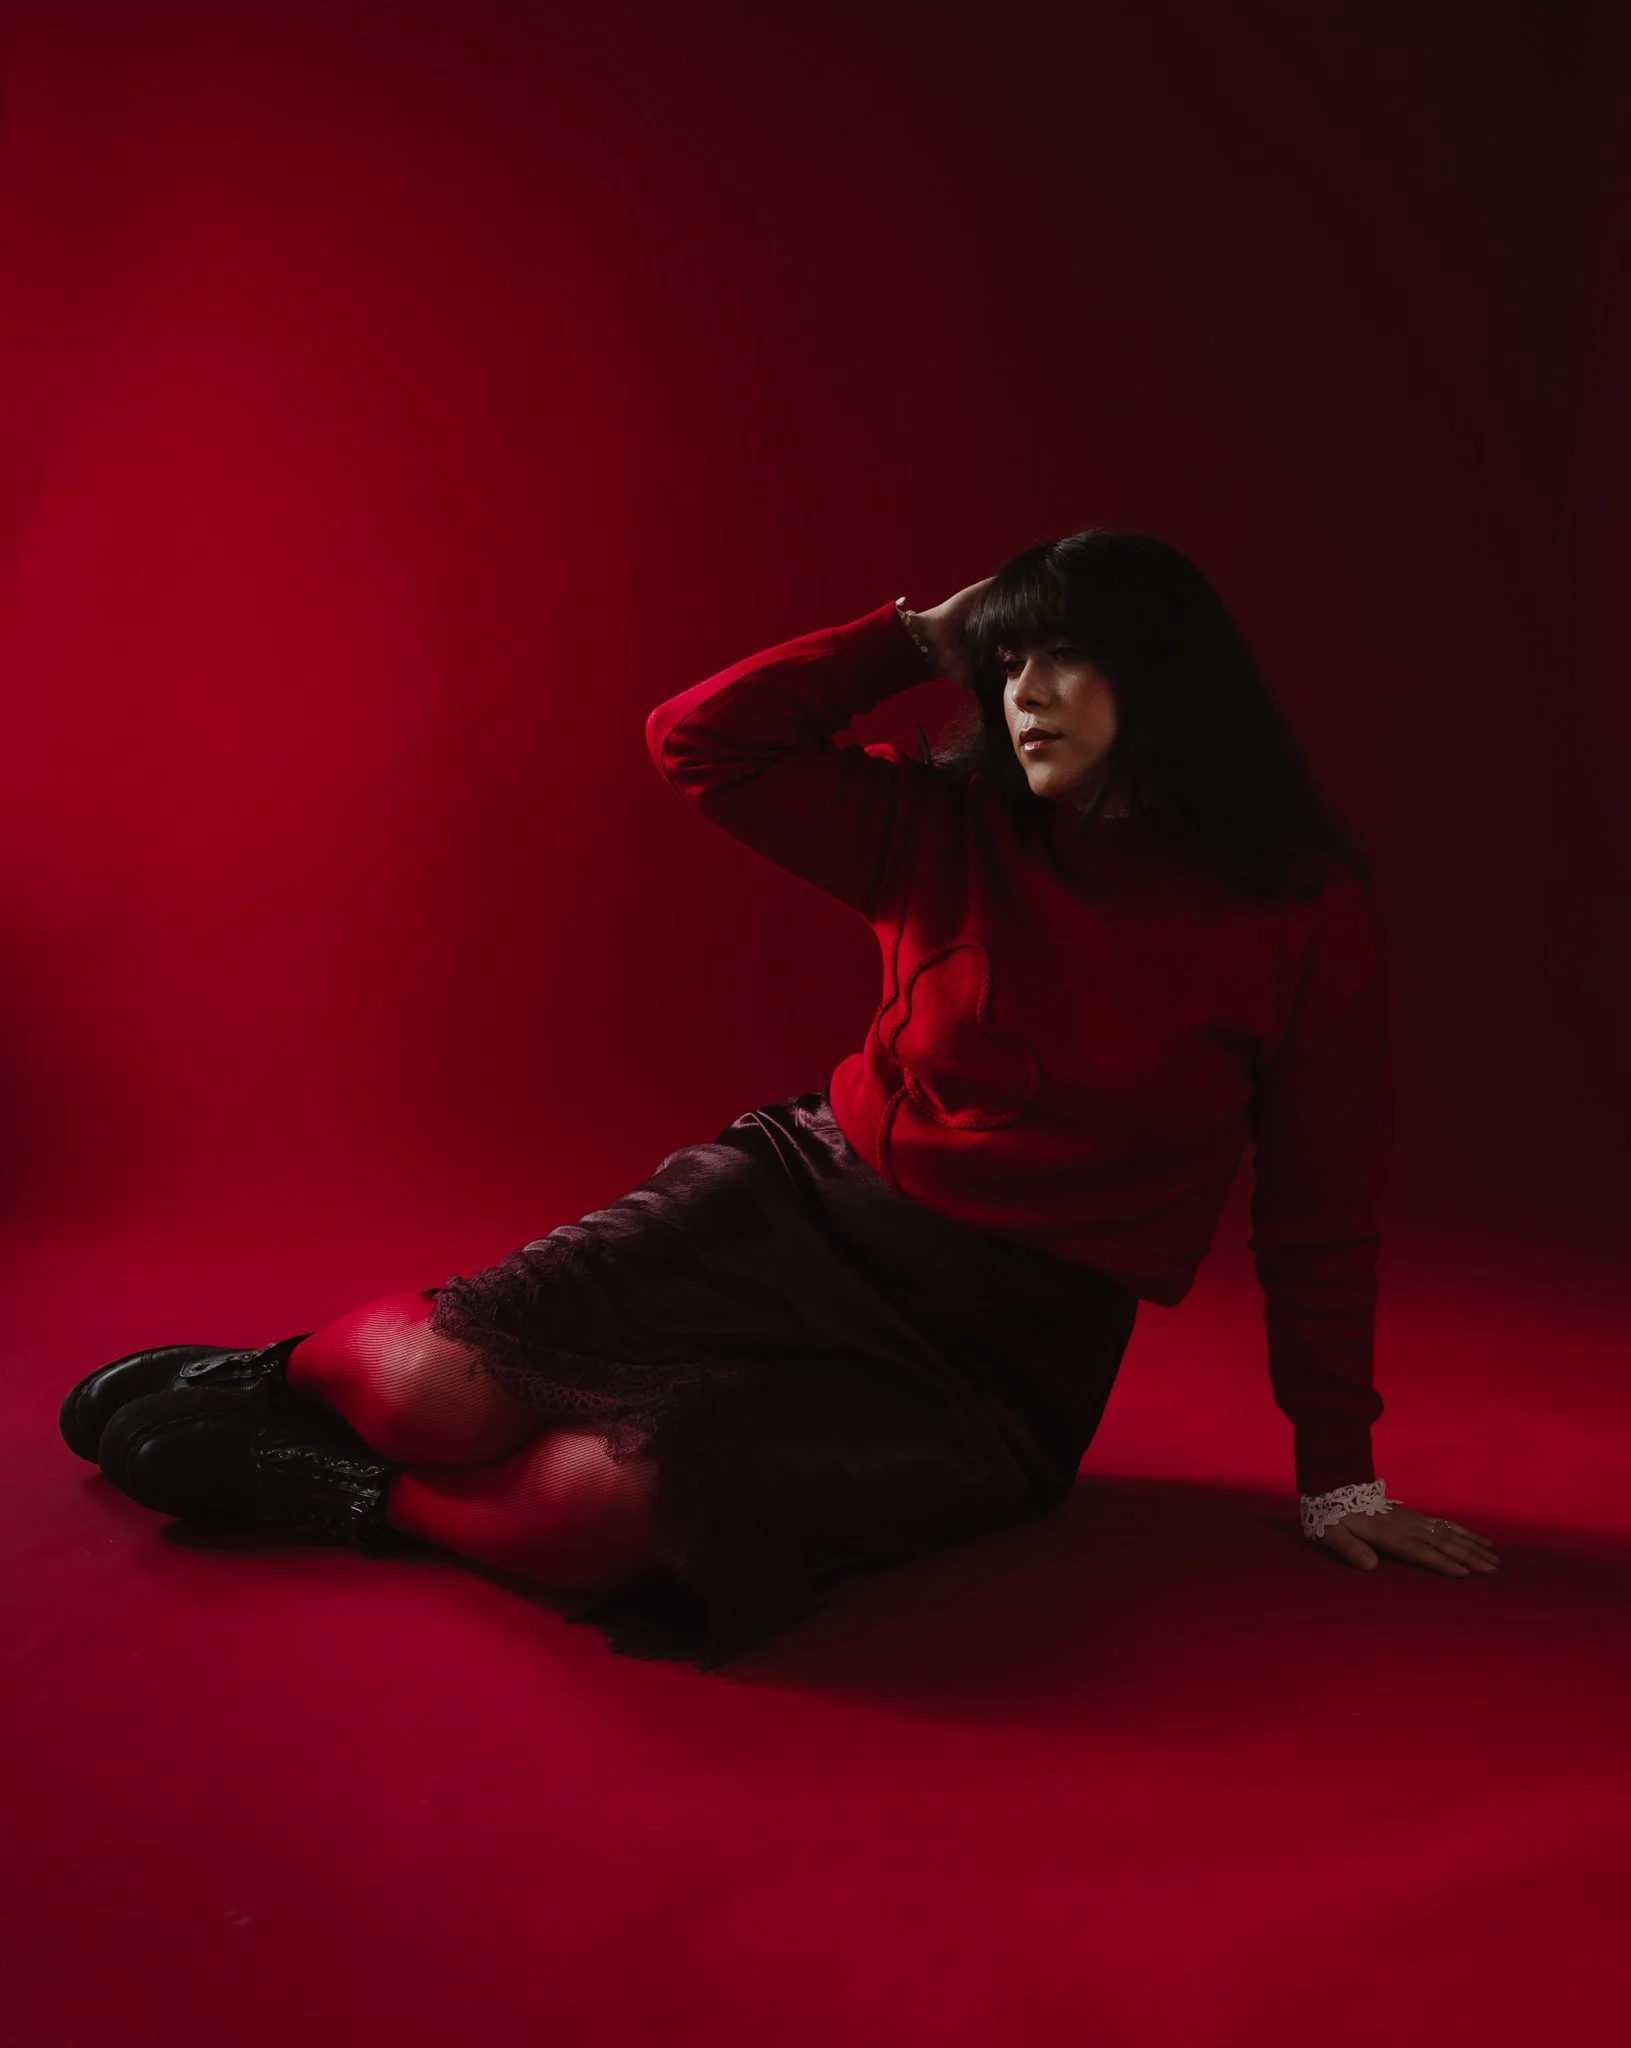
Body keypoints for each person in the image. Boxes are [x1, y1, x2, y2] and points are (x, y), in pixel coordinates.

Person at [58, 530, 1500, 1669]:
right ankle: (277, 1379)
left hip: (997, 1350)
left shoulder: (1302, 914)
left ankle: (336, 1493)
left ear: (1170, 680)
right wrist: (911, 636)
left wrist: (1339, 1479)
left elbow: (1319, 1202)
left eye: (1065, 660)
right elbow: (698, 739)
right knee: (441, 1387)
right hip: (795, 1203)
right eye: (1003, 665)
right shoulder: (938, 829)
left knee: (626, 1506)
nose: (1021, 696)